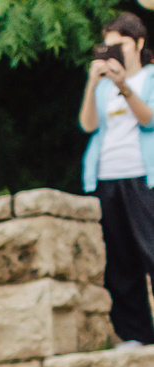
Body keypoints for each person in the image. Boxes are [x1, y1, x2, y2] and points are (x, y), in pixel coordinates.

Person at [83, 14, 154, 348]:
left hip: (144, 176)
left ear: (139, 43)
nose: (113, 51)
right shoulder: (103, 86)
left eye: (120, 44)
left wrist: (125, 87)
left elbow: (149, 120)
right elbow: (88, 125)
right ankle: (135, 336)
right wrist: (93, 84)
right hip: (106, 177)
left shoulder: (150, 78)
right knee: (120, 262)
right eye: (107, 45)